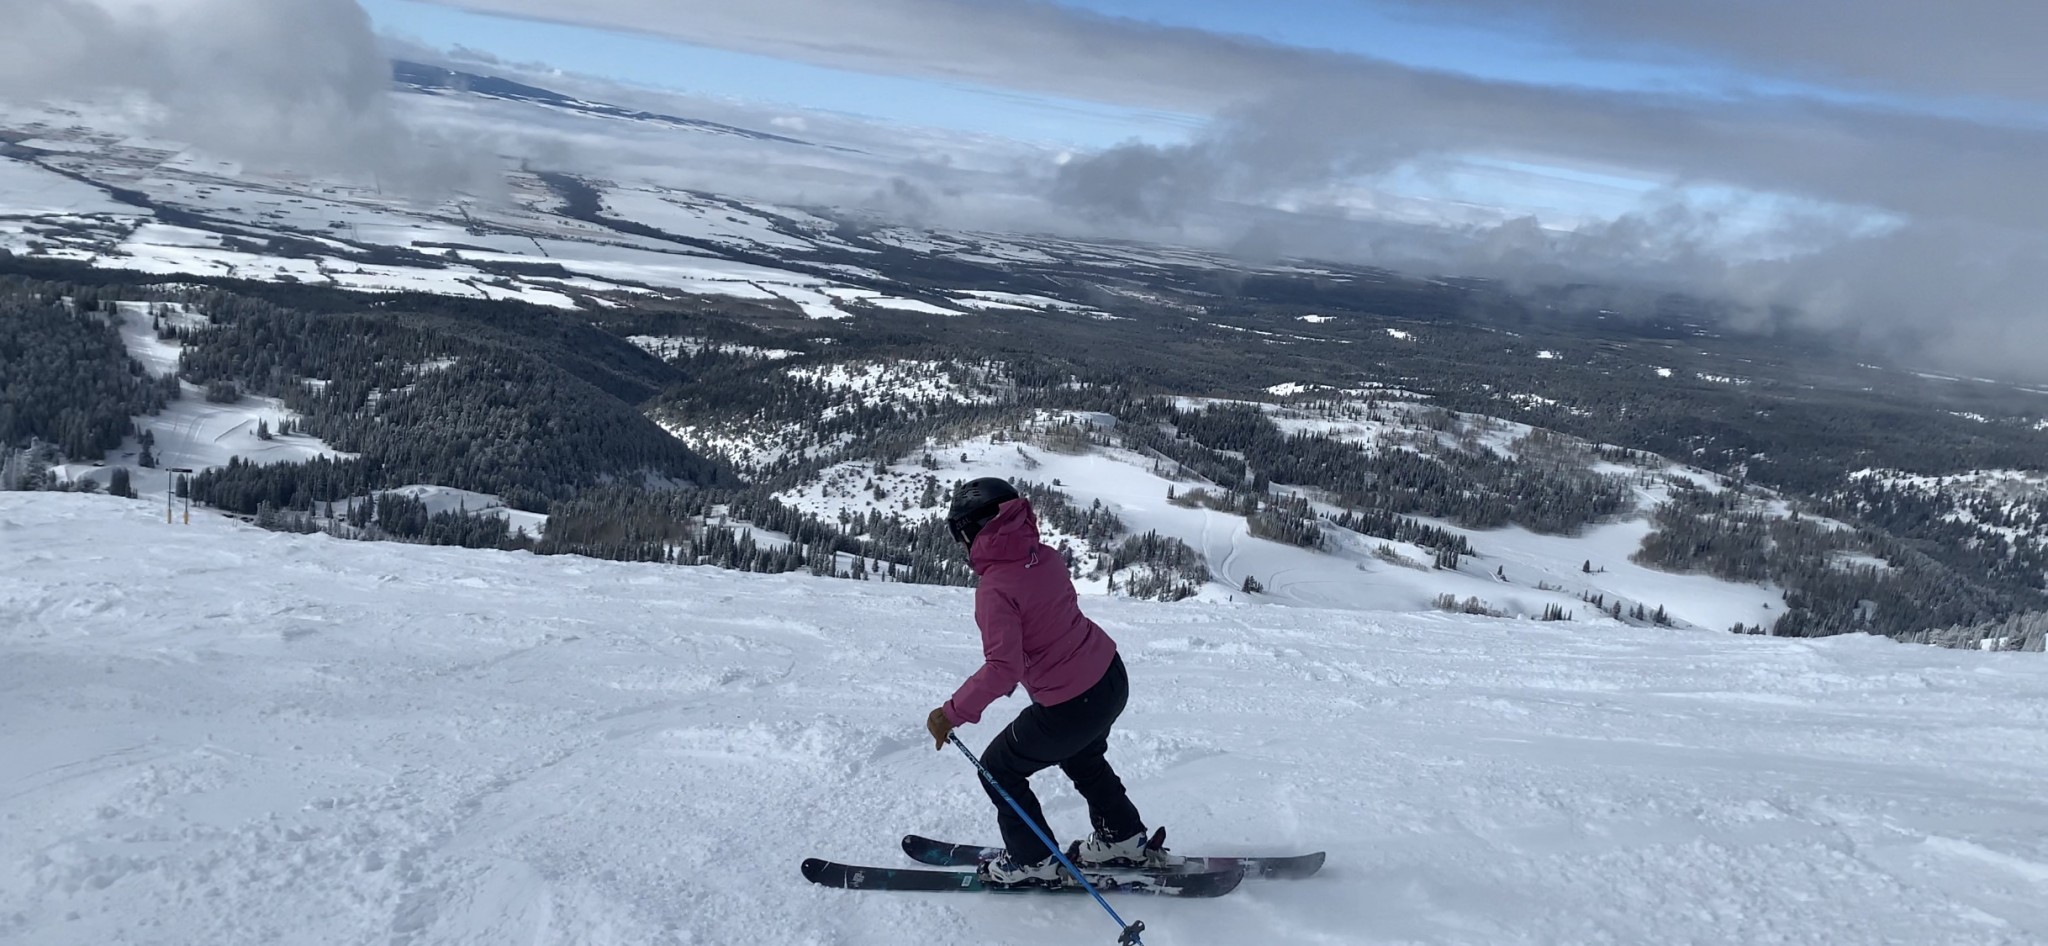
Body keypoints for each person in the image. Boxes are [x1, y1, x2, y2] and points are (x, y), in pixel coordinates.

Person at [924, 477, 1170, 887]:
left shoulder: (995, 589)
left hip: (1071, 704)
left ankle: (1032, 860)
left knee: (998, 769)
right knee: (1083, 757)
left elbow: (1003, 668)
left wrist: (950, 714)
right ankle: (1123, 838)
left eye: (959, 535)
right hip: (1109, 677)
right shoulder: (1044, 556)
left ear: (971, 531)